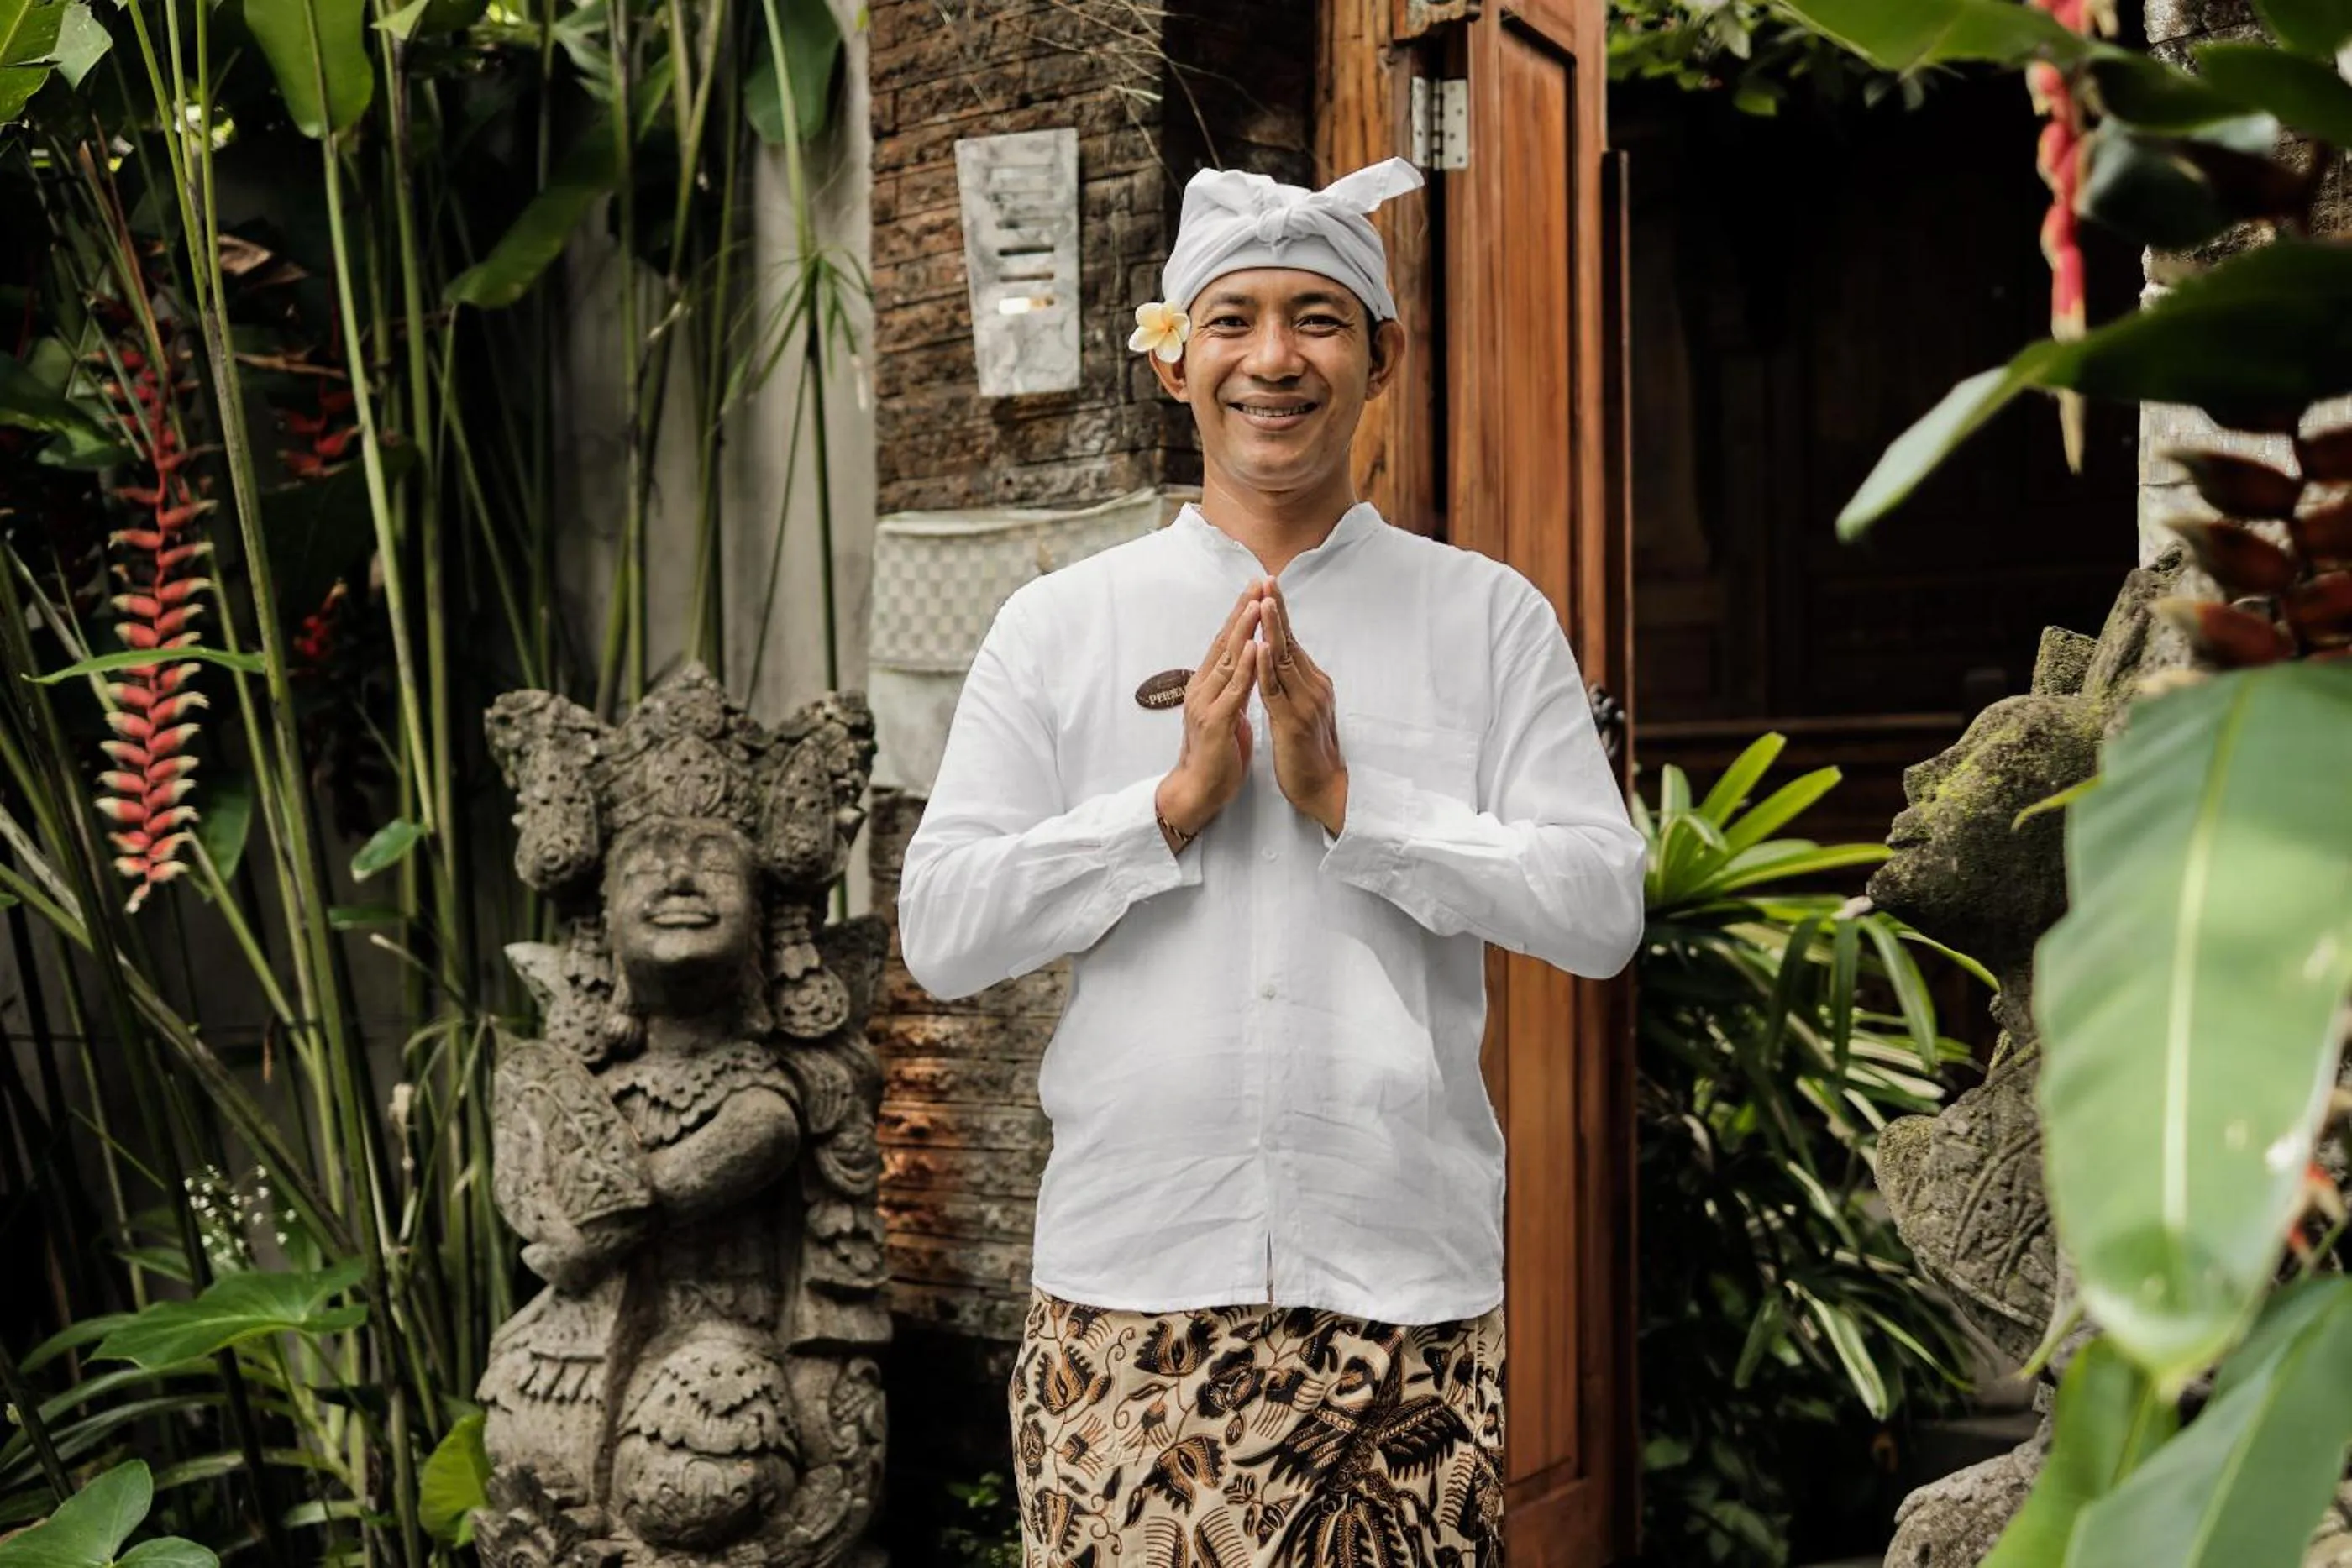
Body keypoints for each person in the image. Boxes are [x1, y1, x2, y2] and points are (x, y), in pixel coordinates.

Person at [895, 155, 1646, 1566]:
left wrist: (1353, 803)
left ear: (1383, 357)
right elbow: (941, 926)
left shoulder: (1487, 619)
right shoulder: (1060, 624)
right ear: (1173, 360)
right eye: (1232, 319)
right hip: (1127, 1287)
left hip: (1402, 1300)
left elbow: (1602, 907)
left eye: (1318, 318)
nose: (1274, 358)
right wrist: (1169, 805)